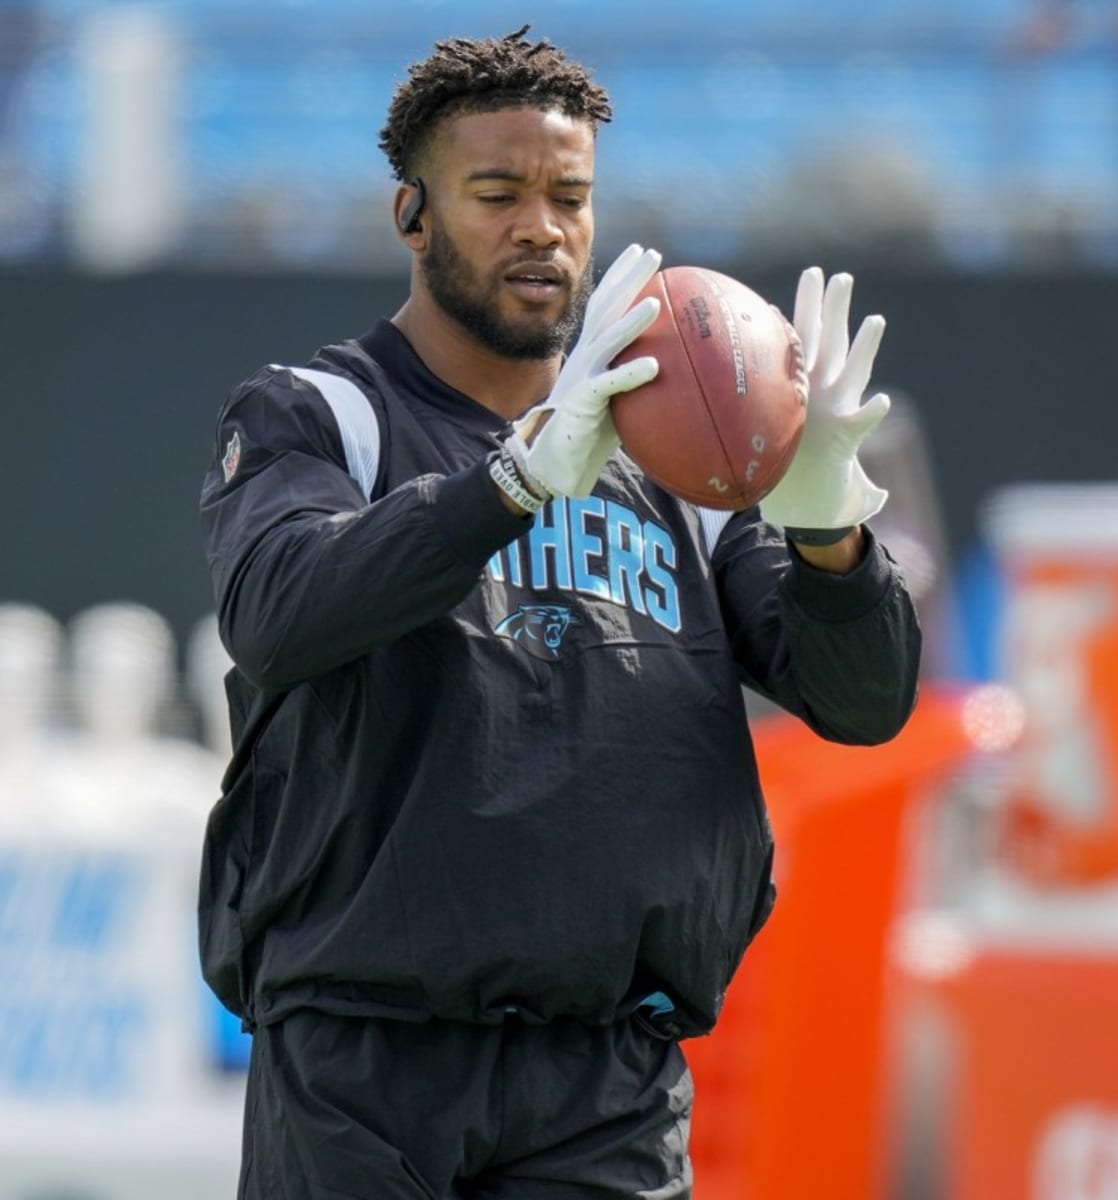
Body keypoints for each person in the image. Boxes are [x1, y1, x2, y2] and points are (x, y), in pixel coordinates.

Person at [198, 27, 921, 1200]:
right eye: (497, 193)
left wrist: (829, 535)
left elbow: (863, 706)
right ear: (413, 215)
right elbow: (280, 612)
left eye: (569, 197)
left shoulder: (682, 463)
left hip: (608, 1077)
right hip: (365, 1060)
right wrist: (511, 483)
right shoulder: (324, 413)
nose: (542, 225)